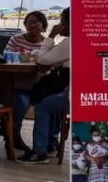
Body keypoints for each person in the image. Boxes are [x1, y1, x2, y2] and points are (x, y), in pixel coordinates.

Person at [17, 8, 71, 163]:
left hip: (74, 93)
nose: (60, 25)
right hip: (82, 90)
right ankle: (50, 143)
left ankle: (39, 151)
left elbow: (42, 59)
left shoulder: (70, 42)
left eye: (62, 21)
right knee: (48, 97)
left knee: (45, 104)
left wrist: (52, 36)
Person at [6, 11, 48, 148]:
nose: (33, 25)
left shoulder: (47, 43)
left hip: (40, 88)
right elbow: (7, 57)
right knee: (20, 103)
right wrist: (34, 58)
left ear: (43, 26)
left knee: (46, 107)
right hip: (18, 86)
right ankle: (13, 138)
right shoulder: (16, 39)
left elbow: (49, 62)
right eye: (30, 22)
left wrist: (23, 57)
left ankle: (48, 142)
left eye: (37, 22)